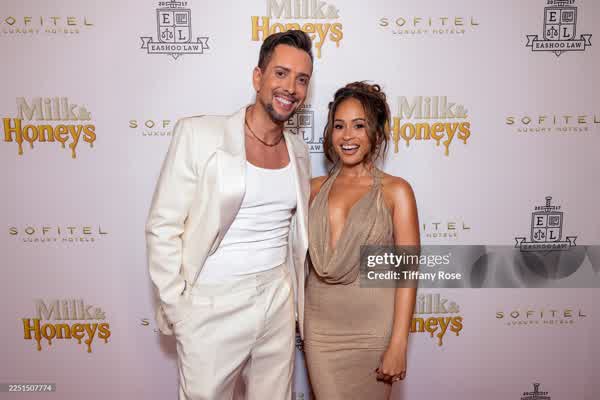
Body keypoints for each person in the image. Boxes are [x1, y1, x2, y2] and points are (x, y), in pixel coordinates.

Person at [145, 30, 313, 400]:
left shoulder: (298, 150)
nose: (291, 88)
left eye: (302, 79)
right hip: (213, 305)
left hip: (278, 300)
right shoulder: (199, 135)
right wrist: (179, 310)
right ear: (258, 77)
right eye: (281, 73)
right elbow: (162, 226)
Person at [304, 82, 419, 399]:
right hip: (321, 331)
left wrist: (399, 343)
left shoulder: (396, 191)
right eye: (339, 126)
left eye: (359, 125)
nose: (347, 136)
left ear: (376, 133)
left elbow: (407, 273)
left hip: (373, 331)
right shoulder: (311, 189)